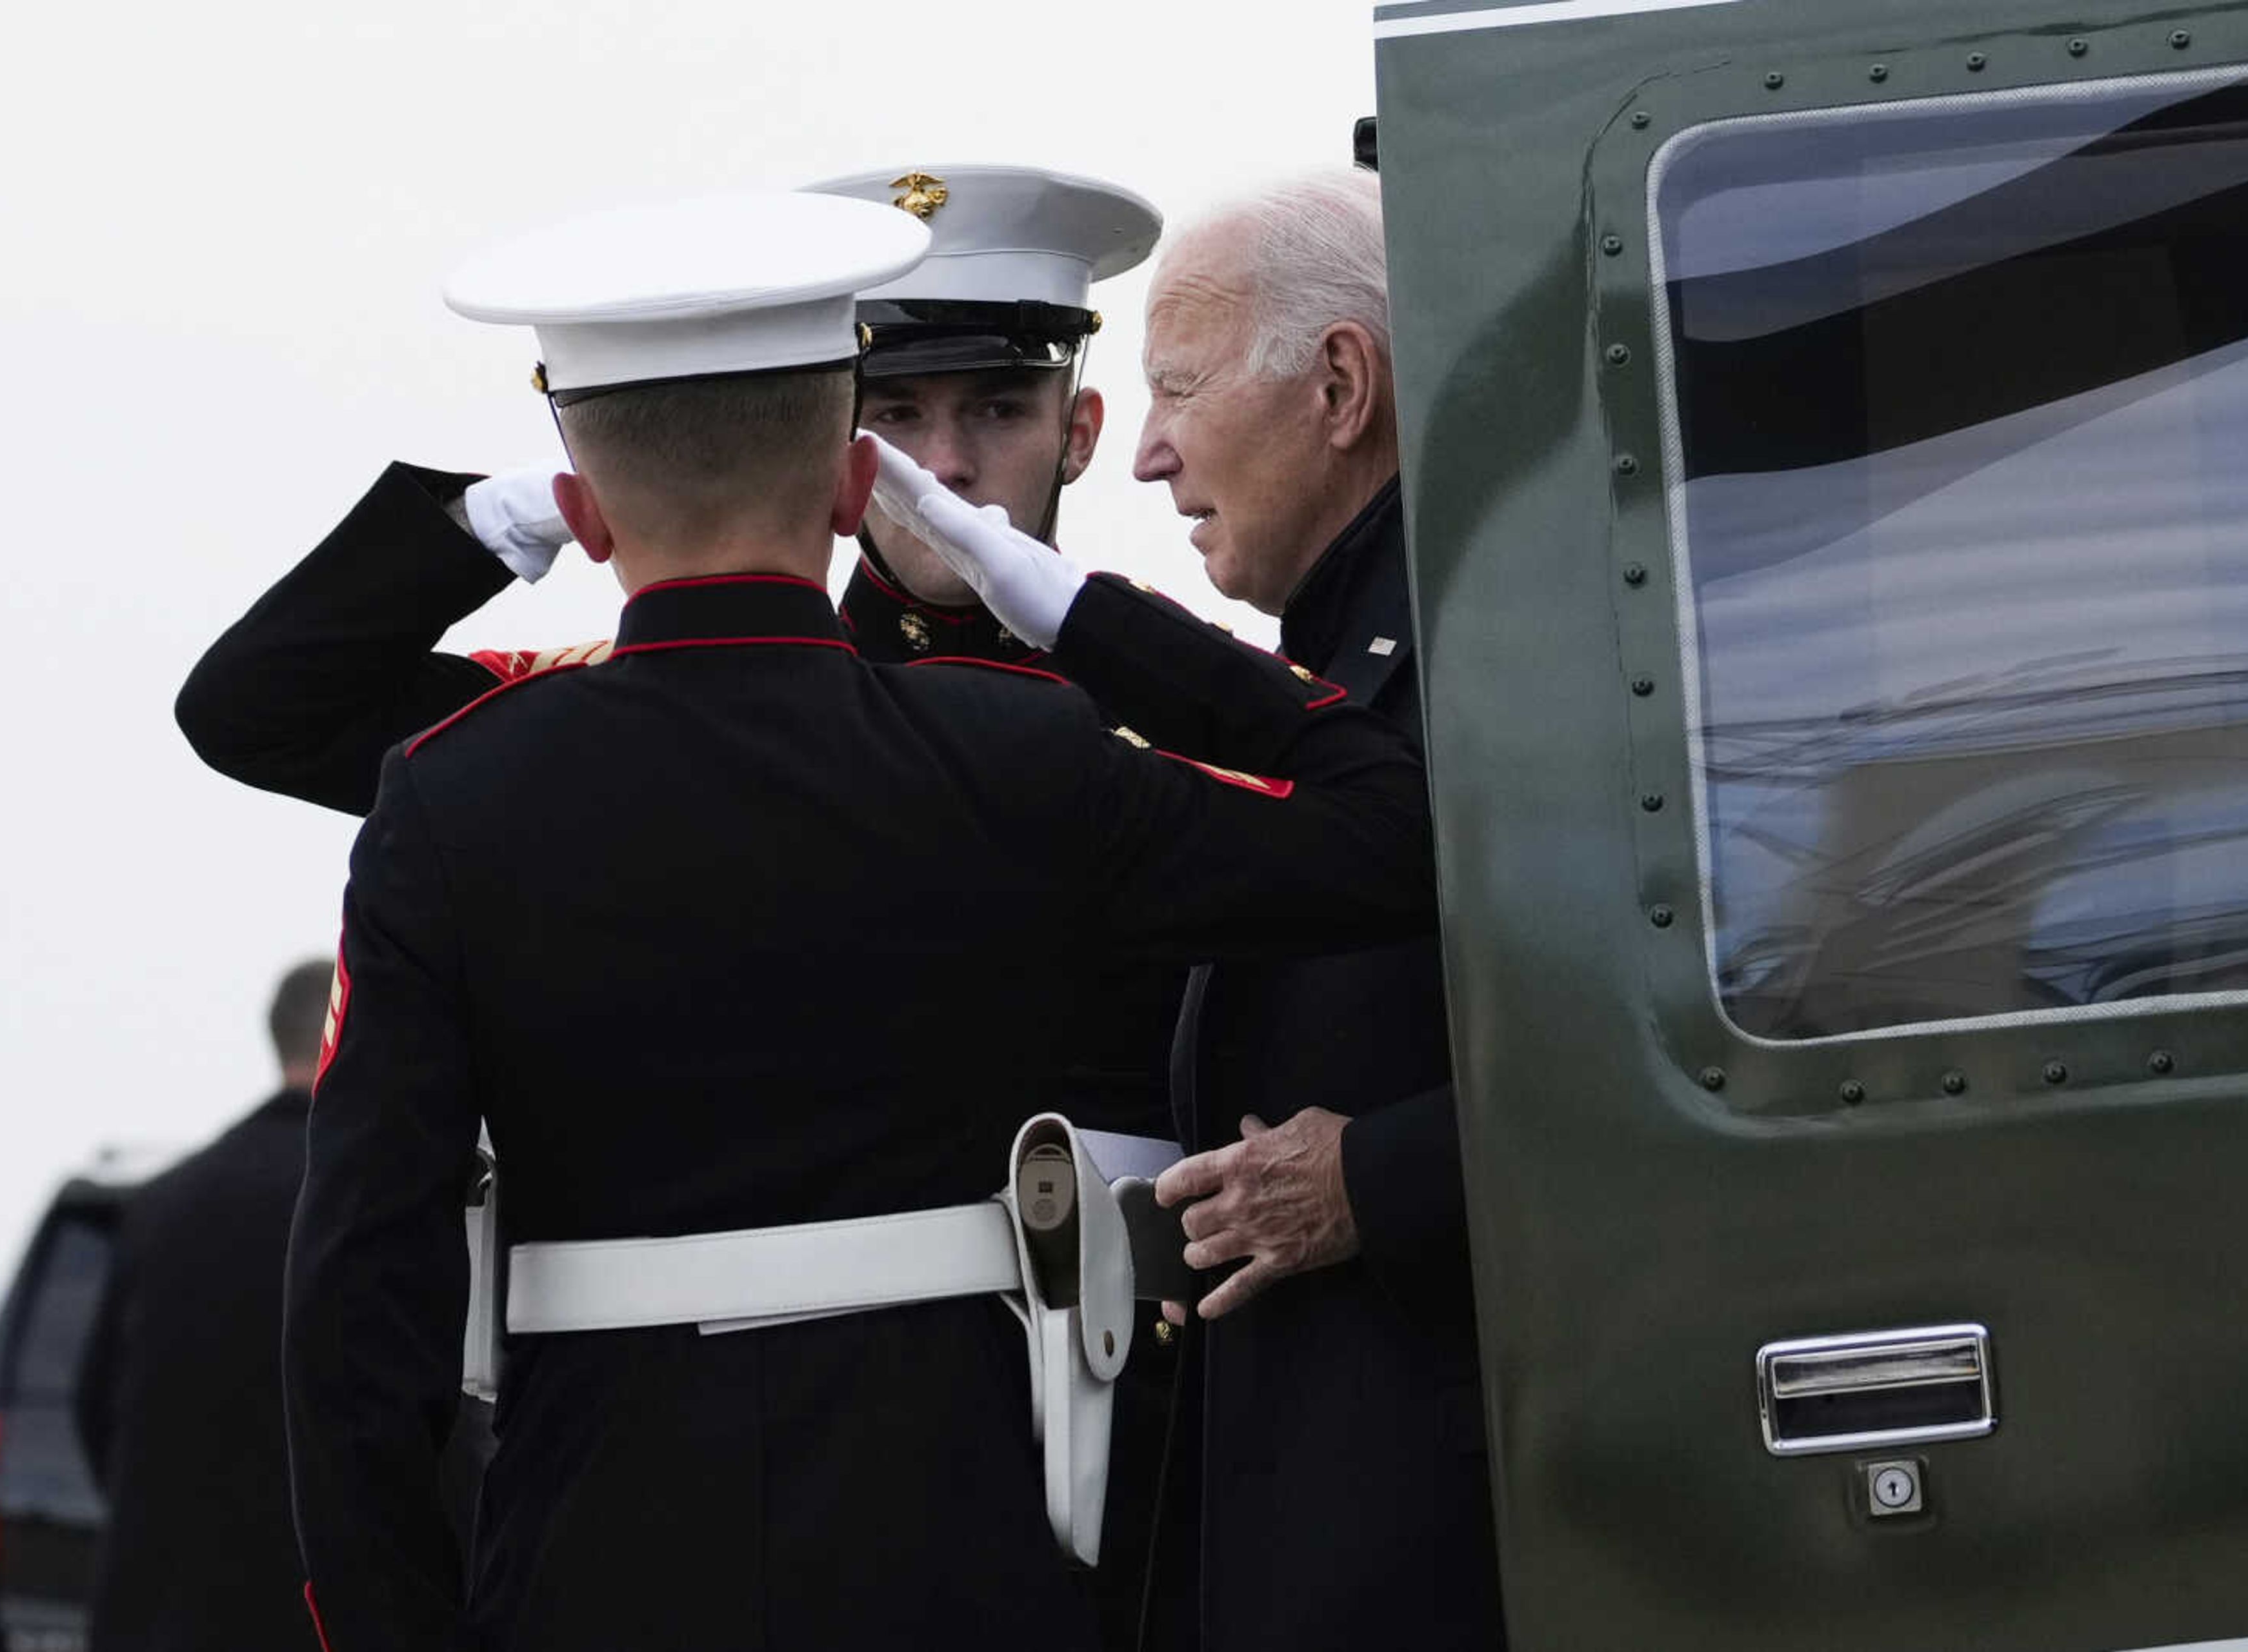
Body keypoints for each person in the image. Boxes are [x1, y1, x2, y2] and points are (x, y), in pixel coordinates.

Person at [281, 189, 1439, 1651]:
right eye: (902, 425)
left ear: (579, 496)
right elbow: (1391, 827)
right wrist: (1068, 606)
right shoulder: (1021, 752)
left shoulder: (456, 797)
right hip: (965, 1547)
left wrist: (504, 515)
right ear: (855, 481)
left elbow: (357, 1314)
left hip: (596, 1551)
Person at [1130, 167, 1506, 1651]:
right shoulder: (1339, 675)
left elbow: (1682, 1037)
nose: (1151, 453)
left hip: (1456, 1534)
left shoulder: (1487, 663)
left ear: (1338, 382)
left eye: (1177, 388)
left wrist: (1382, 1177)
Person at [72, 959, 330, 1652]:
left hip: (157, 1609)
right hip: (310, 1612)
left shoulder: (164, 1203)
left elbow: (93, 1404)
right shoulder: (363, 1202)